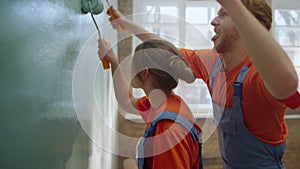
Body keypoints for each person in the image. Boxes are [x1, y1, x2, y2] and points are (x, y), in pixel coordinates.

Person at [106, 0, 300, 168]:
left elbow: (288, 83)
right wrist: (127, 24)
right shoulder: (213, 64)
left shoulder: (259, 77)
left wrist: (234, 5)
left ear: (246, 23)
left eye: (224, 15)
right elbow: (163, 52)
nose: (213, 21)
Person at [98, 39, 203, 169]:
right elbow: (127, 102)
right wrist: (113, 61)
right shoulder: (161, 103)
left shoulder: (168, 127)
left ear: (144, 73)